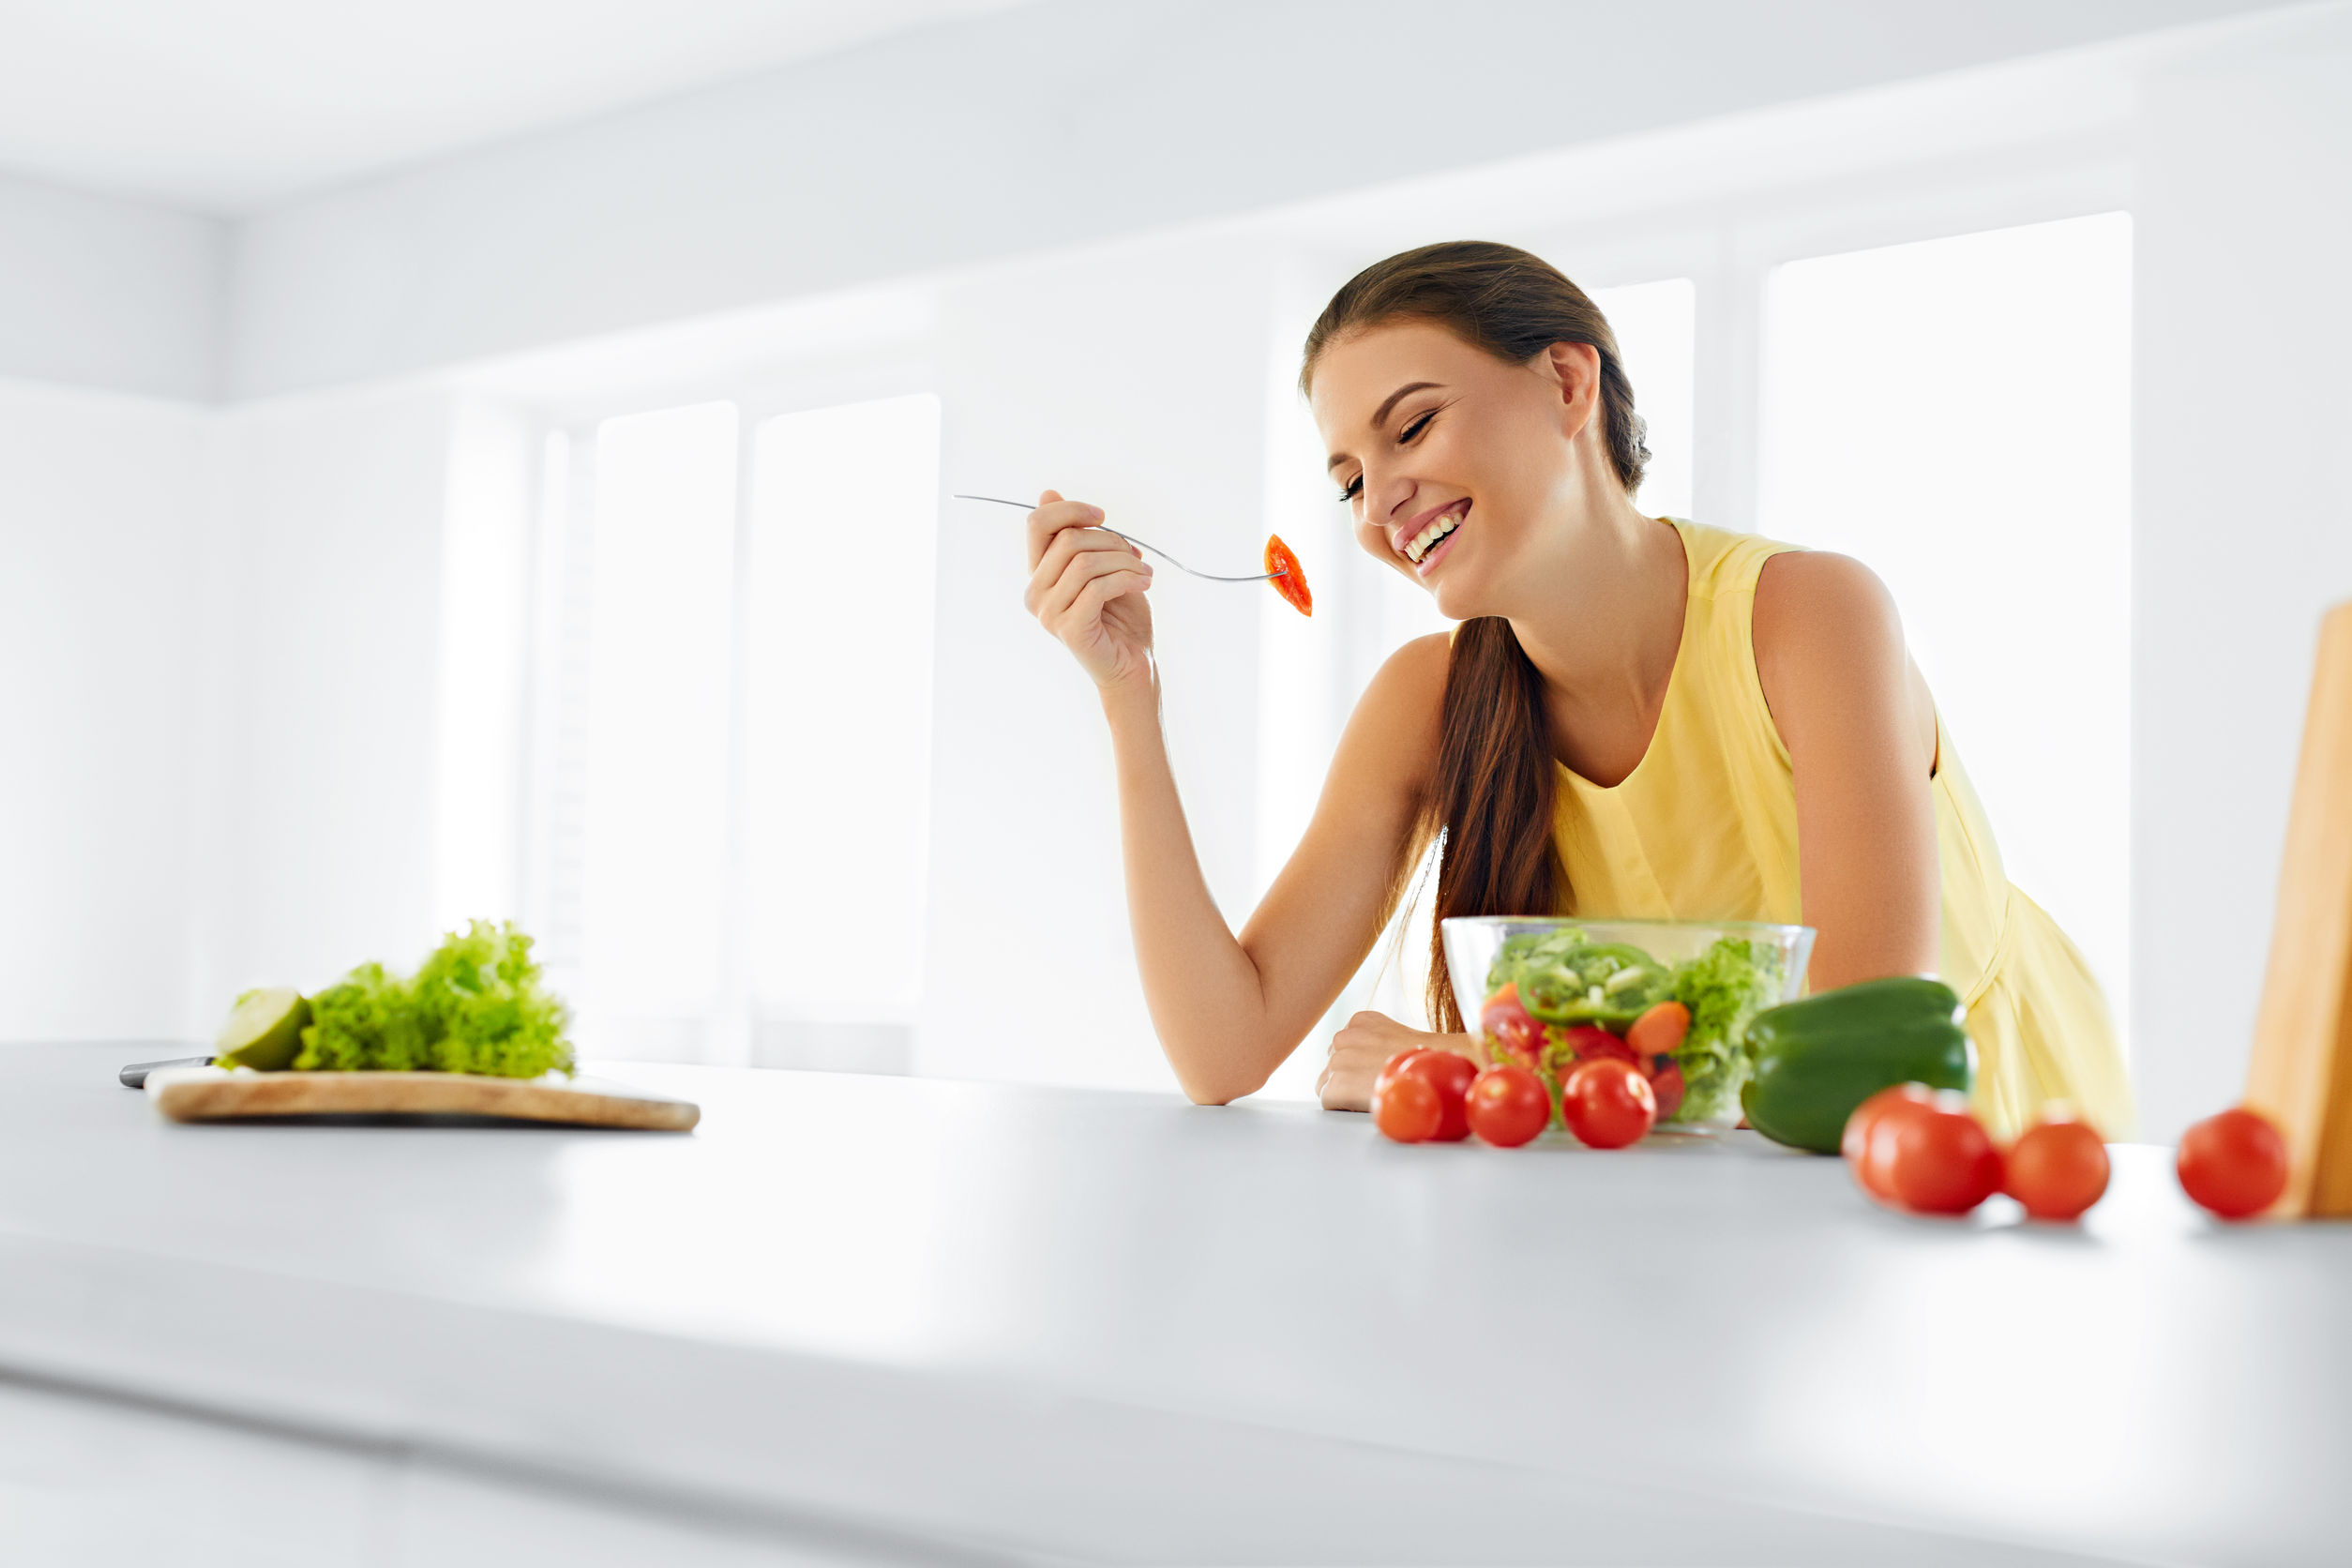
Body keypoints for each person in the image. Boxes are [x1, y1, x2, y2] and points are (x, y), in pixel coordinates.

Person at [1018, 240, 2133, 1138]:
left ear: (1566, 381)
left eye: (1411, 426)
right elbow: (1223, 1048)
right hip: (1692, 1197)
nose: (1377, 505)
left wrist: (1497, 1066)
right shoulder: (1430, 699)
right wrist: (1132, 698)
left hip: (1971, 1153)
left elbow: (1851, 1063)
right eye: (1350, 476)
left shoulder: (1809, 616)